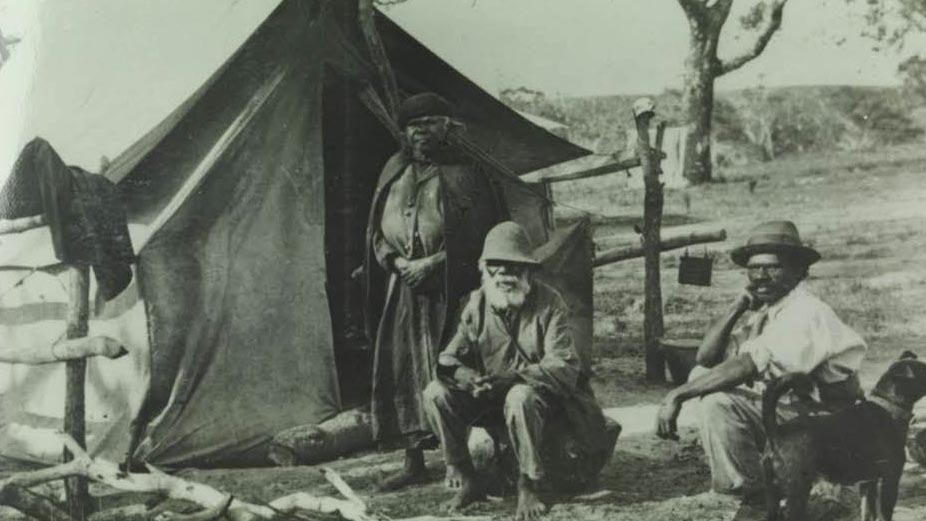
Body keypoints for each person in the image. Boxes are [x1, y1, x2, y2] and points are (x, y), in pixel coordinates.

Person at [655, 220, 867, 498]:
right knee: (701, 378)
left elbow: (748, 365)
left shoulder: (806, 311)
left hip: (828, 424)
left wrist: (676, 395)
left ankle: (749, 490)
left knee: (718, 402)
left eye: (773, 267)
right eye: (754, 268)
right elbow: (706, 358)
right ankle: (757, 482)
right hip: (796, 417)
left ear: (800, 271)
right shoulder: (770, 312)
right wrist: (737, 306)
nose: (760, 276)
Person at [424, 221, 612, 521]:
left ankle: (528, 484)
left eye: (513, 267)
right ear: (485, 270)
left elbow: (563, 365)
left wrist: (512, 378)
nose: (505, 275)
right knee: (435, 392)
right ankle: (466, 473)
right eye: (496, 266)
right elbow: (447, 358)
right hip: (491, 398)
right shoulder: (477, 303)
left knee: (520, 395)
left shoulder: (550, 303)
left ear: (528, 271)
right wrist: (465, 376)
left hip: (544, 402)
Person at [364, 92, 505, 491]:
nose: (421, 130)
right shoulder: (393, 170)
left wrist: (434, 262)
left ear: (448, 126)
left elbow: (484, 237)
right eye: (413, 124)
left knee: (453, 369)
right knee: (403, 370)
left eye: (430, 121)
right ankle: (413, 461)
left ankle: (458, 462)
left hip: (453, 292)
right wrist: (396, 263)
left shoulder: (469, 173)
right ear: (404, 132)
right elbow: (375, 233)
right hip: (403, 292)